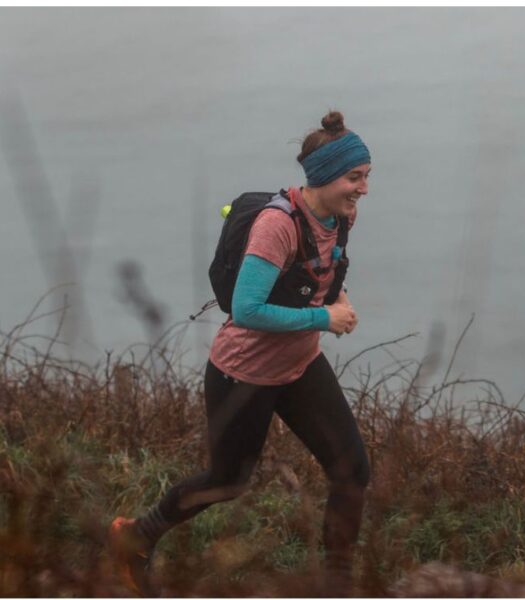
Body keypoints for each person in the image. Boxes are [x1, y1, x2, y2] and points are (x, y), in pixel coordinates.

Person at [108, 111, 371, 597]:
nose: (364, 189)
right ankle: (135, 536)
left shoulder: (339, 217)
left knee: (352, 471)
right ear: (325, 176)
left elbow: (318, 276)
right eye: (355, 178)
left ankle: (337, 586)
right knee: (229, 481)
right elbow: (248, 310)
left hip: (299, 365)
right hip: (244, 373)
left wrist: (337, 302)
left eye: (367, 177)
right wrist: (324, 320)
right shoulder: (278, 225)